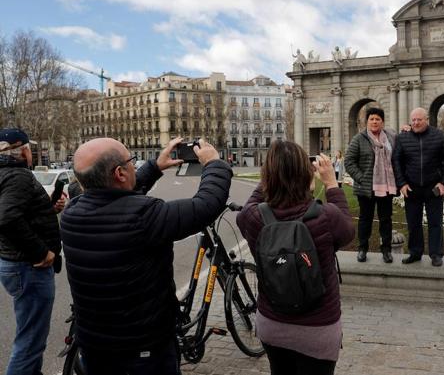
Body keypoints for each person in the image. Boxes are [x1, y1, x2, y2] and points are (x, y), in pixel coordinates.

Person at [59, 137, 232, 375]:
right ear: (120, 173)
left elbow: (114, 197)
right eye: (132, 161)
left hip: (94, 347)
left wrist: (154, 167)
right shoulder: (145, 216)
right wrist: (214, 163)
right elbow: (206, 205)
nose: (135, 166)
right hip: (143, 352)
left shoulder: (71, 213)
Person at [236, 140, 354, 375]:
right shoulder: (327, 216)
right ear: (306, 173)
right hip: (317, 327)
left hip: (272, 323)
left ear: (266, 176)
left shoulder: (252, 217)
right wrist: (331, 182)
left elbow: (251, 202)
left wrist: (273, 175)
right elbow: (348, 231)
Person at [0, 128, 65, 375]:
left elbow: (17, 214)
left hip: (14, 262)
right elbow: (7, 219)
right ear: (23, 149)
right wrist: (41, 252)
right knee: (30, 342)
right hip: (28, 267)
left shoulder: (5, 174)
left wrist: (48, 208)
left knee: (30, 337)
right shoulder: (18, 176)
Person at [392, 108, 444, 267]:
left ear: (427, 119)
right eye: (413, 120)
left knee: (435, 222)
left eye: (419, 119)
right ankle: (415, 252)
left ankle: (436, 254)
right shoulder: (402, 138)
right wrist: (402, 183)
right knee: (413, 223)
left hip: (433, 186)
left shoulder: (438, 135)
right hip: (411, 187)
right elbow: (396, 162)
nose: (416, 122)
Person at [344, 107, 397, 263]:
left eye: (378, 119)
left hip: (386, 186)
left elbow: (399, 153)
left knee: (386, 219)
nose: (374, 122)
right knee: (365, 219)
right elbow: (349, 161)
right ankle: (362, 249)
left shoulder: (391, 138)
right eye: (371, 119)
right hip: (366, 187)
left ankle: (386, 250)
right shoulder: (358, 139)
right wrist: (361, 178)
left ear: (382, 122)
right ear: (366, 121)